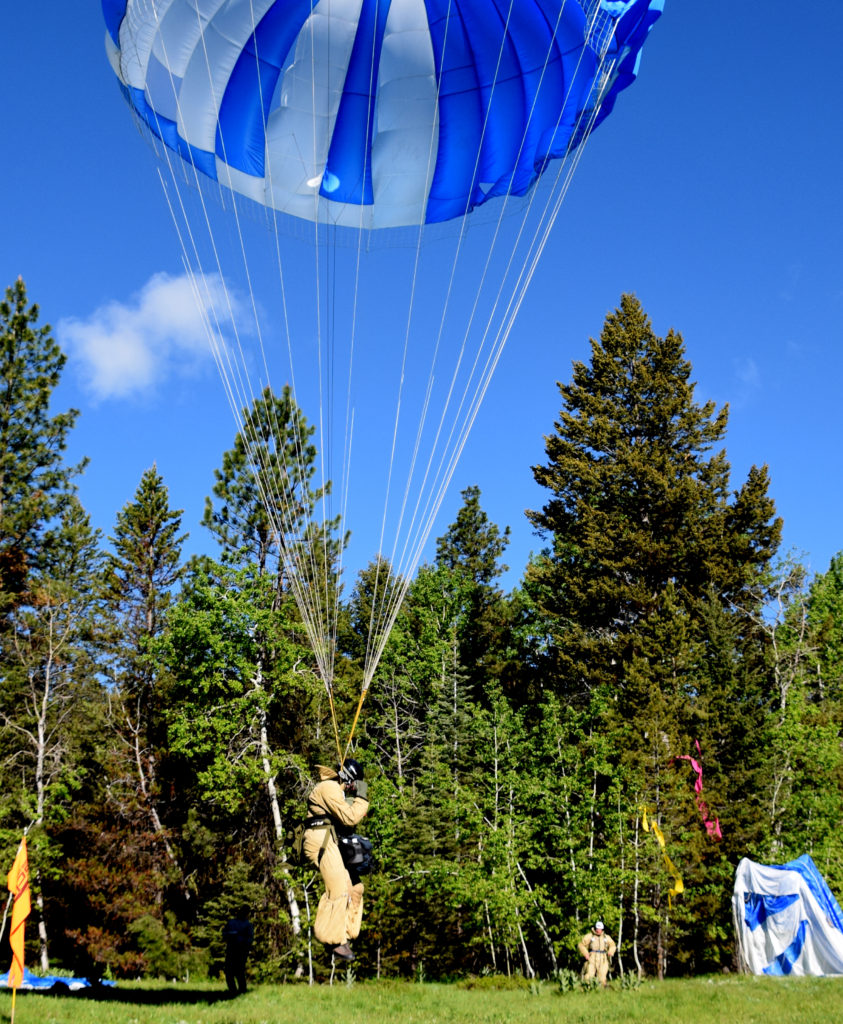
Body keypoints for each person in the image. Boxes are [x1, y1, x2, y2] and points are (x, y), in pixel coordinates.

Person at [303, 759, 370, 962]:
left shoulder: (335, 792)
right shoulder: (329, 788)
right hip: (319, 839)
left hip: (329, 839)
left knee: (355, 888)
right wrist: (362, 795)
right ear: (349, 780)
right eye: (354, 783)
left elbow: (347, 817)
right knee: (339, 889)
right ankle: (332, 939)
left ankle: (347, 933)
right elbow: (350, 817)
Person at [222, 906, 254, 995]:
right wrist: (230, 936)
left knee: (239, 971)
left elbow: (250, 939)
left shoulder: (248, 925)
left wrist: (241, 940)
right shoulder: (231, 923)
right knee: (229, 971)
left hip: (241, 950)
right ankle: (233, 990)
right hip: (232, 949)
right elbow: (224, 934)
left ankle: (242, 990)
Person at [578, 920, 616, 987]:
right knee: (589, 975)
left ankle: (601, 990)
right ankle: (586, 989)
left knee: (602, 976)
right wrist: (585, 953)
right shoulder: (590, 936)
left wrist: (611, 951)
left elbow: (612, 945)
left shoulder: (606, 937)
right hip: (592, 958)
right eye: (597, 929)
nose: (598, 930)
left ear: (602, 929)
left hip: (603, 958)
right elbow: (581, 945)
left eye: (600, 929)